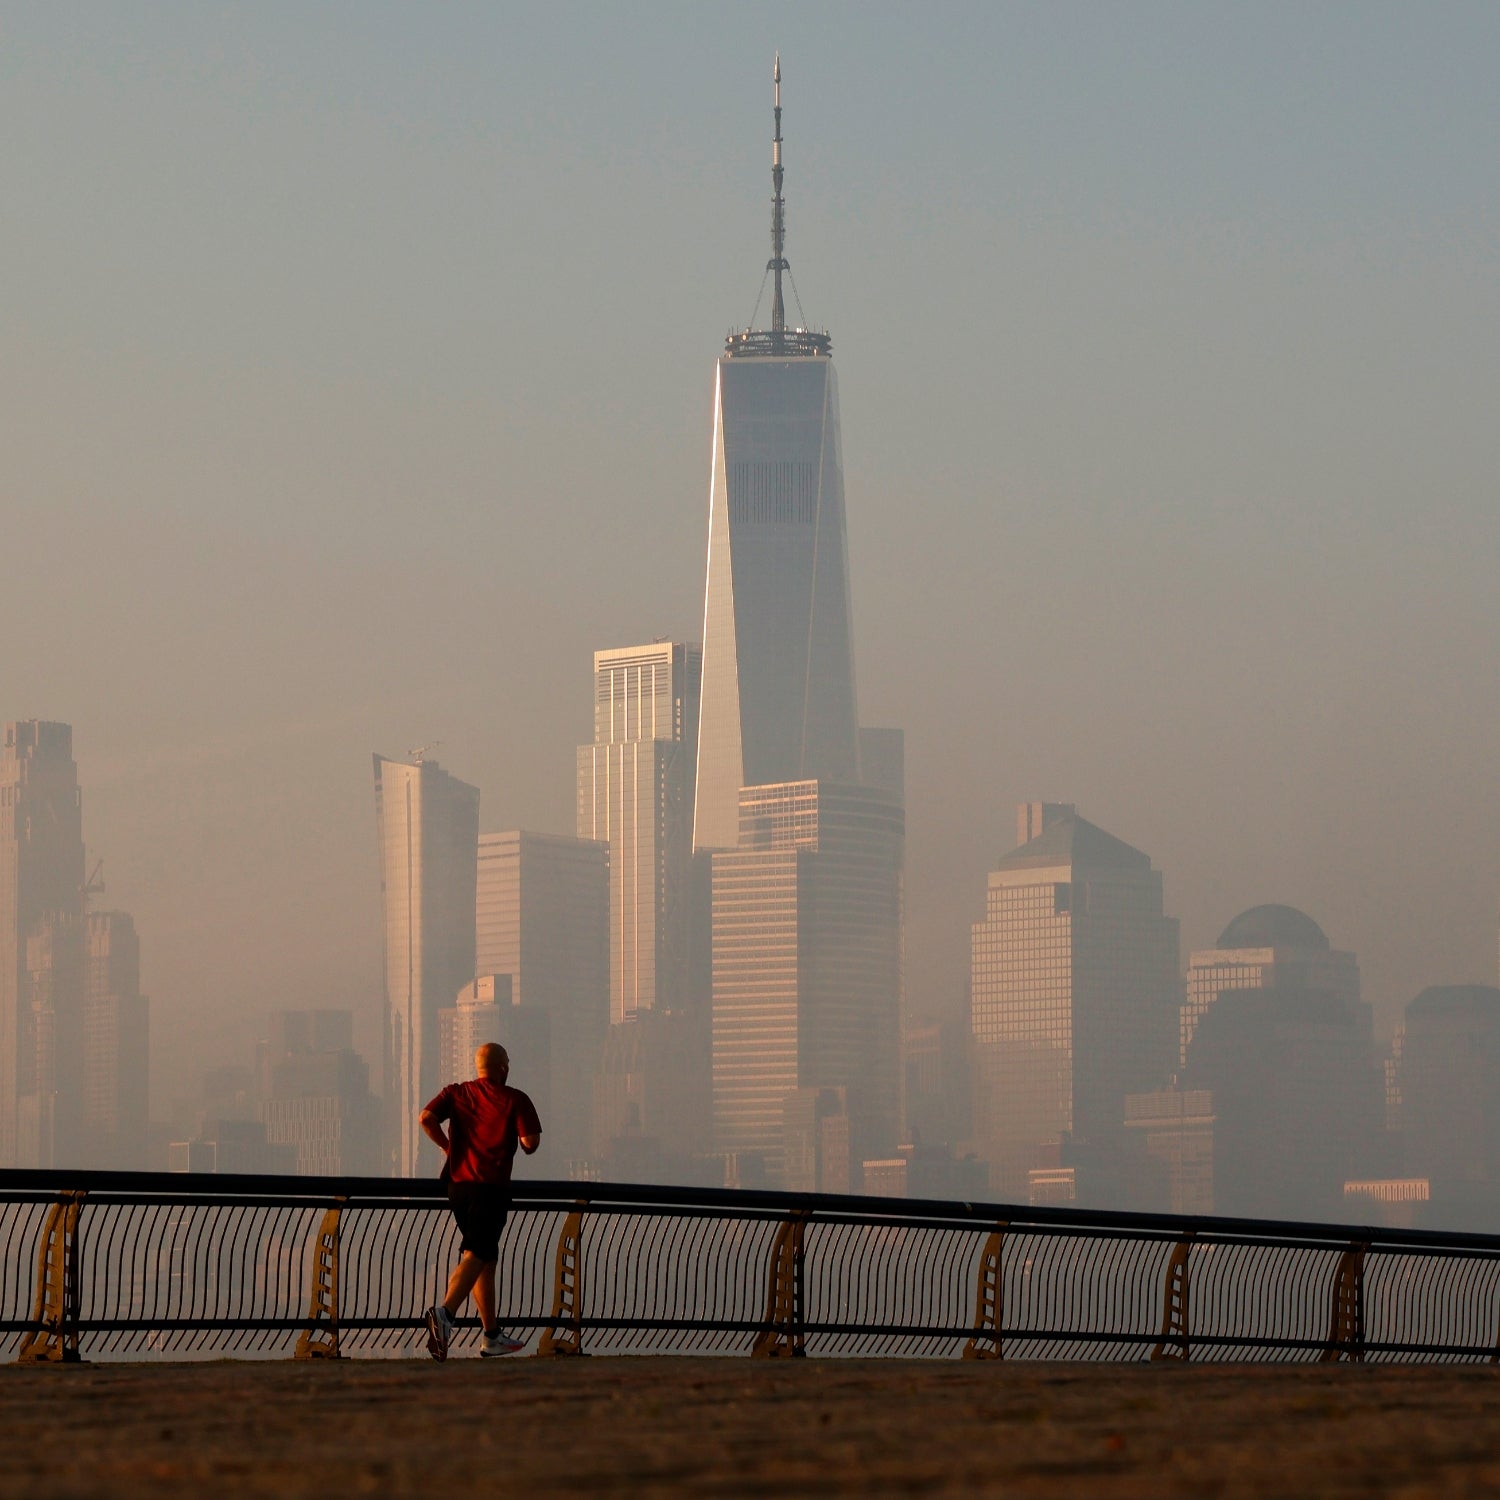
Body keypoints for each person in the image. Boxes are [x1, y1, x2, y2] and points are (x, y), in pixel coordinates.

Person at [419, 1042, 542, 1360]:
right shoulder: (515, 1098)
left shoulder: (456, 1093)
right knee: (476, 1253)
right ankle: (444, 1314)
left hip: (458, 1187)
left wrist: (448, 1148)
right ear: (503, 1067)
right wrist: (521, 1140)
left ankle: (491, 1336)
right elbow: (531, 1143)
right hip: (491, 1188)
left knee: (485, 1259)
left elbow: (425, 1118)